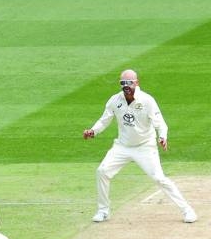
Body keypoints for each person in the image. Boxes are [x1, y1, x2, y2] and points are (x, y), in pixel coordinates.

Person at [82, 69, 197, 224]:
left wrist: (162, 136)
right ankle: (103, 211)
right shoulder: (115, 100)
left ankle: (187, 210)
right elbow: (104, 120)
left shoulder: (147, 100)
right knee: (102, 172)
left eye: (129, 82)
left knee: (159, 179)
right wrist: (93, 131)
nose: (126, 85)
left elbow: (160, 123)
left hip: (145, 147)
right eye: (123, 83)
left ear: (136, 82)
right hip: (122, 147)